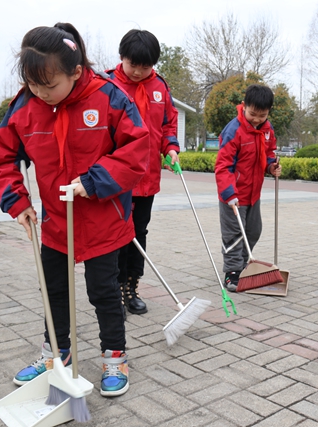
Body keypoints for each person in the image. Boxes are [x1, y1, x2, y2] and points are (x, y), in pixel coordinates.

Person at [0, 23, 150, 397]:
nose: (41, 94)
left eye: (50, 85)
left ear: (76, 72)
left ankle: (114, 354)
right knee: (54, 290)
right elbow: (1, 156)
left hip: (103, 219)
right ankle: (55, 352)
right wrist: (17, 201)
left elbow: (136, 149)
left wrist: (94, 181)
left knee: (103, 291)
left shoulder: (108, 97)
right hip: (56, 223)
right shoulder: (25, 107)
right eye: (33, 84)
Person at [107, 29, 180, 316]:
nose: (138, 71)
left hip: (146, 178)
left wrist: (171, 148)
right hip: (114, 178)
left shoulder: (160, 87)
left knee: (139, 232)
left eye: (145, 66)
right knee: (115, 234)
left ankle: (130, 286)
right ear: (121, 57)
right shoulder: (106, 85)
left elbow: (168, 124)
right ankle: (111, 290)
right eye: (132, 64)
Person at [215, 84, 281, 292]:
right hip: (233, 194)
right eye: (253, 114)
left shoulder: (267, 129)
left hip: (254, 192)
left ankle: (244, 263)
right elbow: (223, 165)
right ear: (244, 106)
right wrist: (229, 193)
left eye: (262, 115)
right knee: (235, 233)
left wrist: (272, 166)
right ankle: (232, 272)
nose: (257, 119)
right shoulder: (234, 131)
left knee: (253, 231)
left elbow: (269, 152)